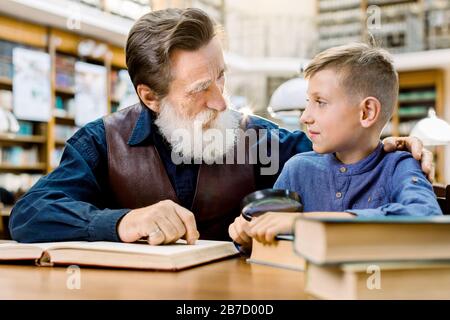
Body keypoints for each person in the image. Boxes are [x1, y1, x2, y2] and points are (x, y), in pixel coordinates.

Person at [9, 9, 432, 246]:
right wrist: (122, 222)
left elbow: (343, 153)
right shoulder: (101, 142)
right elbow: (30, 215)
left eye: (222, 77)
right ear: (149, 96)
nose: (222, 101)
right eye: (199, 89)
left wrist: (385, 145)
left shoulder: (262, 139)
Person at [229, 43, 442, 251]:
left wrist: (305, 222)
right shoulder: (298, 169)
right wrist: (251, 237)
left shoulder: (401, 165)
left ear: (366, 112)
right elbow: (269, 233)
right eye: (307, 102)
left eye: (320, 102)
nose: (305, 116)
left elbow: (425, 217)